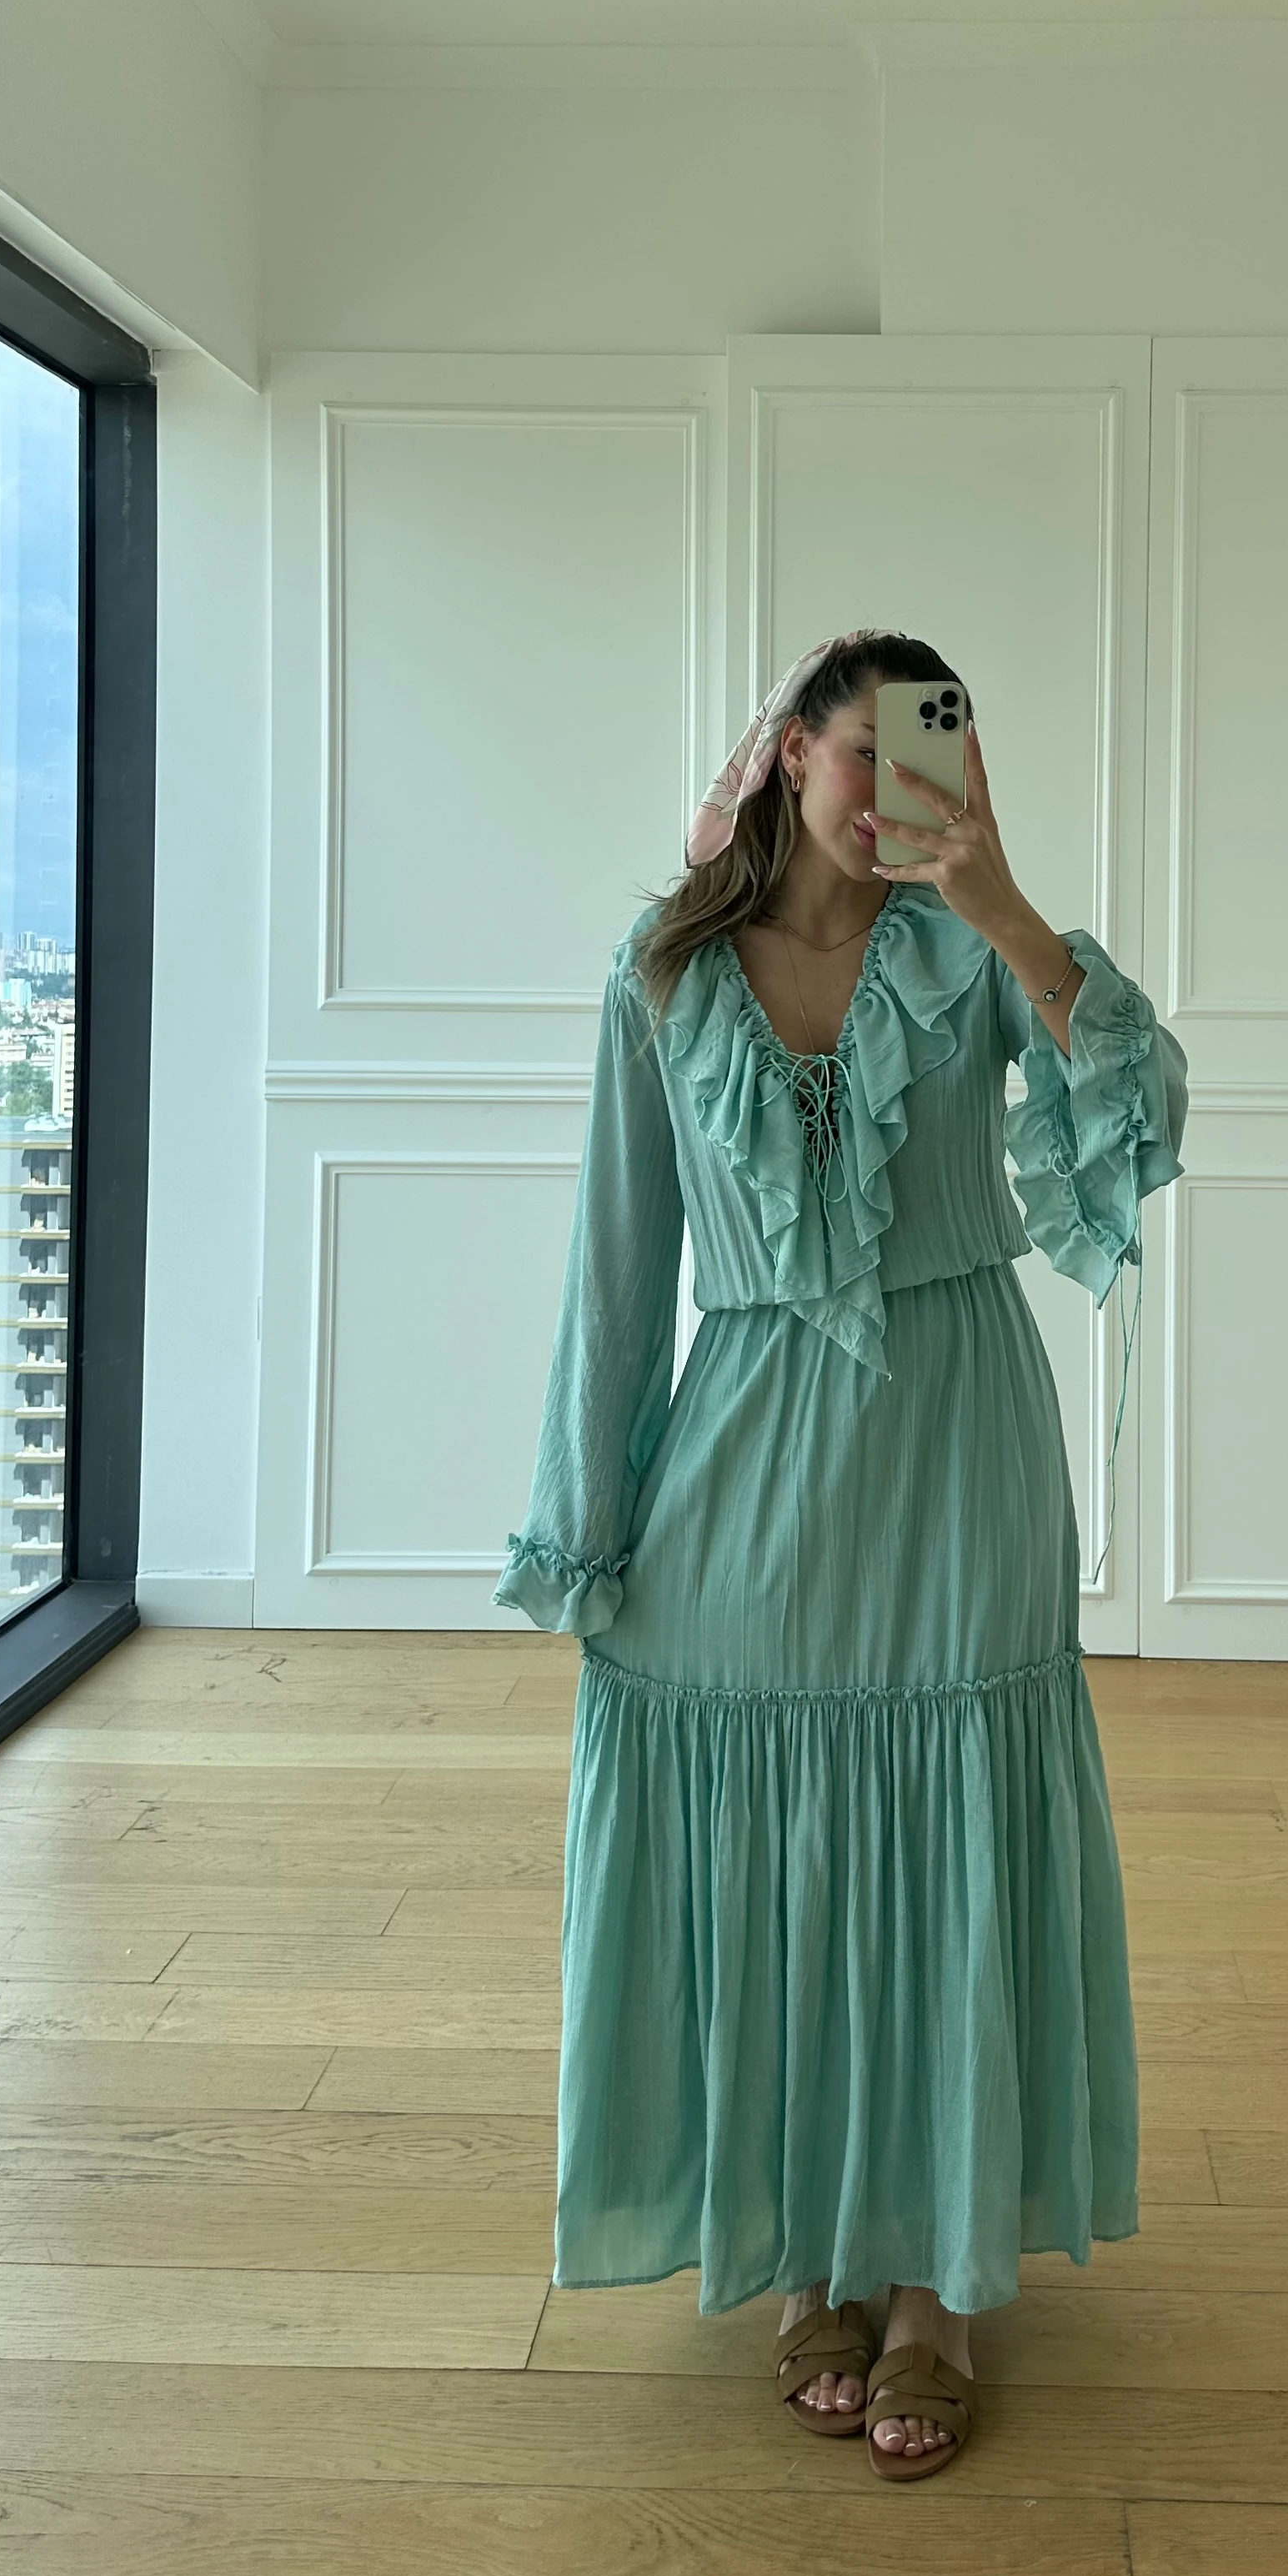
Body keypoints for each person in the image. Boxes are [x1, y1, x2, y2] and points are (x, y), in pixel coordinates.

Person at [493, 627, 1188, 2481]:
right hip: (744, 1451)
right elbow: (617, 1268)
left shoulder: (969, 954)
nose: (897, 785)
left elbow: (1143, 1111)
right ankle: (810, 2247)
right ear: (789, 753)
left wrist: (1006, 903)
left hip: (957, 1445)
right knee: (773, 1855)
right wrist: (588, 1525)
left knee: (949, 1836)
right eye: (867, 748)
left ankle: (935, 2290)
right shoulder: (665, 975)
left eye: (932, 747)